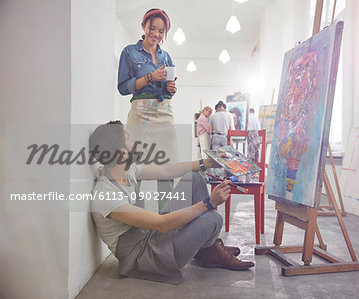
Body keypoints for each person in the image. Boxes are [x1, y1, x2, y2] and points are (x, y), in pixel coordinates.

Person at [89, 121, 254, 285]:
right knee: (213, 219)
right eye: (128, 138)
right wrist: (208, 203)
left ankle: (207, 251)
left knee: (194, 178)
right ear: (122, 153)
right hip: (146, 256)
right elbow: (162, 225)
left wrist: (207, 163)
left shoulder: (125, 169)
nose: (133, 140)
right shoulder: (106, 194)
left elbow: (165, 171)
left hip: (151, 236)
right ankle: (209, 249)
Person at [117, 8, 177, 205]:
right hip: (140, 113)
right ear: (144, 26)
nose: (156, 34)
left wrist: (170, 88)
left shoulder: (166, 57)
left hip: (163, 111)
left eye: (161, 31)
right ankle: (136, 216)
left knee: (166, 167)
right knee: (134, 165)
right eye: (153, 28)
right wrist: (150, 77)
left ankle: (166, 218)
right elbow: (124, 88)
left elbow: (167, 90)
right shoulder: (129, 52)